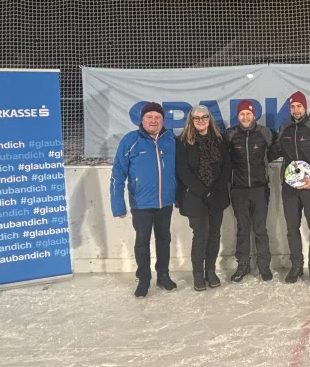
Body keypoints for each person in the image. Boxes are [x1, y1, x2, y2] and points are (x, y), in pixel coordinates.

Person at [110, 102, 177, 298]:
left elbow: (179, 171)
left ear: (163, 120)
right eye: (150, 117)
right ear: (142, 119)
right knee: (142, 242)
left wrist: (179, 197)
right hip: (140, 203)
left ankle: (163, 275)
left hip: (165, 202)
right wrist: (118, 204)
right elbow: (118, 174)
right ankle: (144, 278)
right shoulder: (130, 140)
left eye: (157, 117)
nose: (153, 121)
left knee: (164, 239)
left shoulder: (171, 140)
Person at [268, 91, 310, 285]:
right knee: (292, 228)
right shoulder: (285, 126)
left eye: (299, 106)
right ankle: (296, 266)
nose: (296, 110)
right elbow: (276, 150)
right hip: (290, 187)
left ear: (305, 108)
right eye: (292, 106)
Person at [175, 105, 231, 291]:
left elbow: (226, 167)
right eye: (196, 117)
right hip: (195, 197)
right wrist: (203, 191)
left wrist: (216, 190)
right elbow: (183, 171)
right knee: (200, 236)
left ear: (209, 118)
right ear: (191, 120)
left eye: (204, 117)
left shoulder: (219, 139)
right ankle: (198, 275)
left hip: (217, 196)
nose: (200, 120)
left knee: (214, 235)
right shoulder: (183, 141)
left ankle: (210, 271)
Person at [225, 100, 275, 282]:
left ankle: (264, 266)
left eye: (248, 114)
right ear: (237, 116)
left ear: (254, 115)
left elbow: (275, 150)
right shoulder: (230, 134)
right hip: (238, 190)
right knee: (243, 229)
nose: (245, 117)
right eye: (242, 114)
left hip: (260, 188)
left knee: (261, 229)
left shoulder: (264, 133)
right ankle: (243, 265)